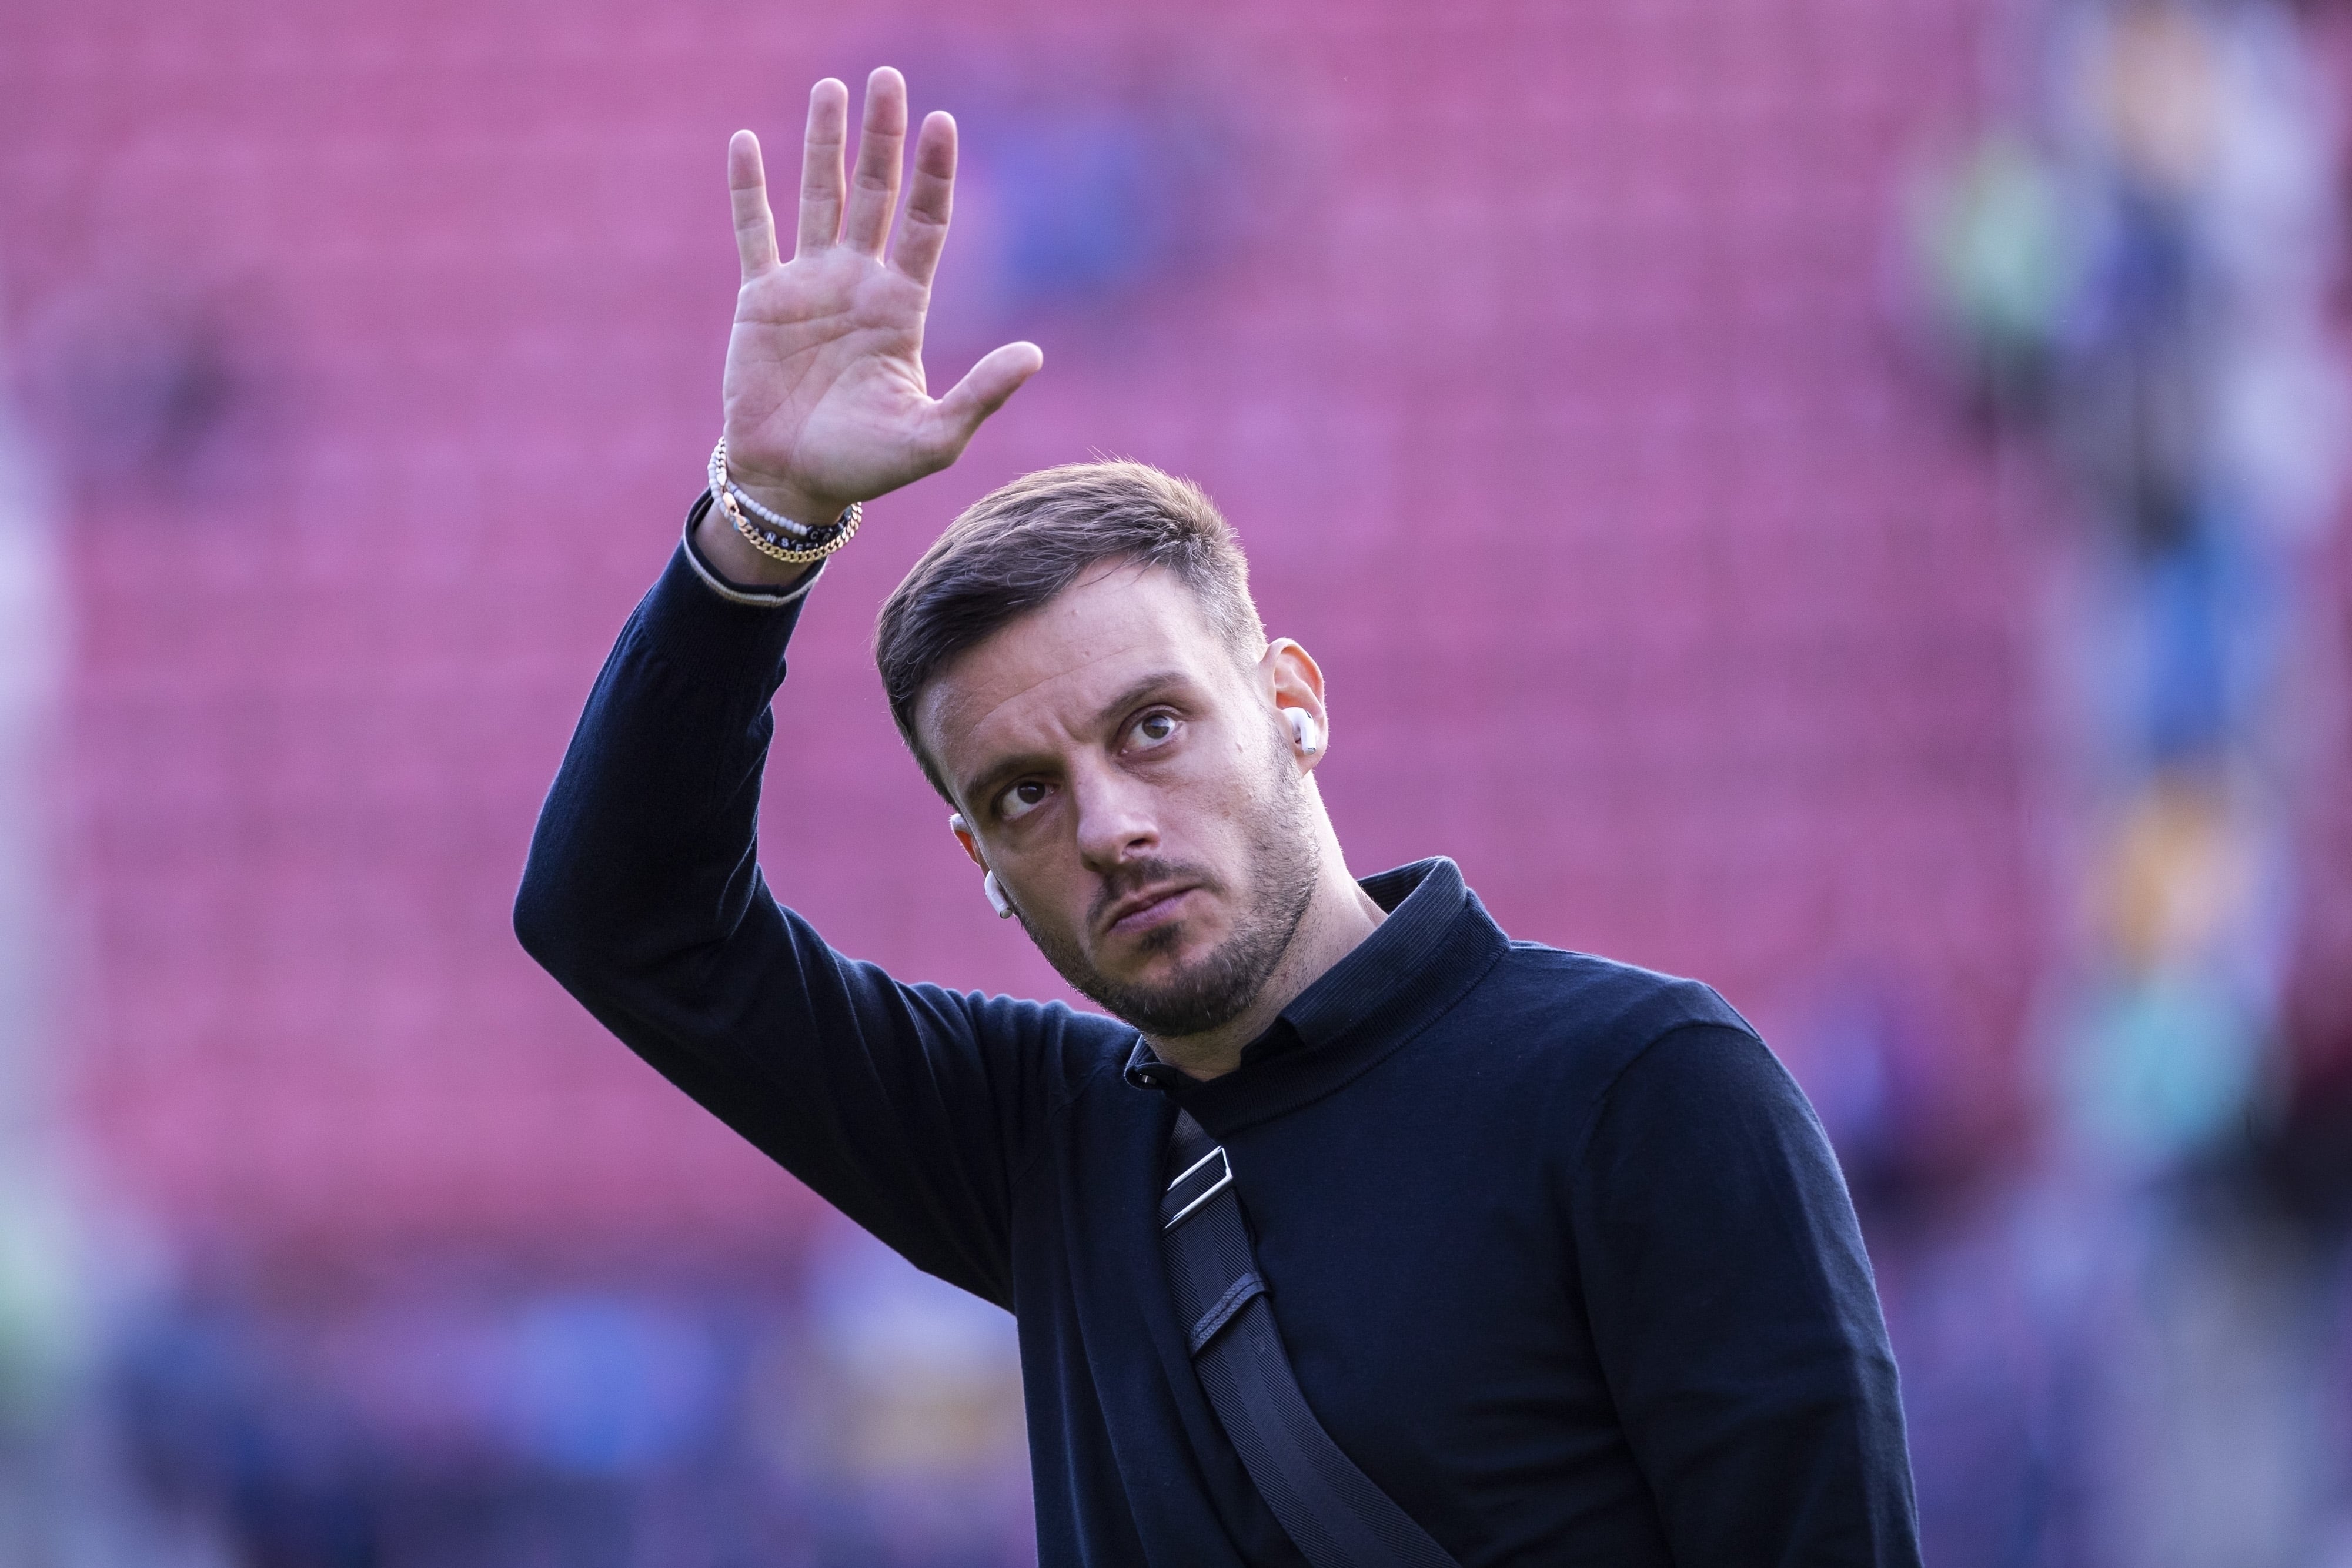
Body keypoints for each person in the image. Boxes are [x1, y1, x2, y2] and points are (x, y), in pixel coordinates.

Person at [515, 67, 1922, 1567]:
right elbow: (624, 916)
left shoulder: (1644, 1088)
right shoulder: (1044, 1146)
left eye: (1153, 727)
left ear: (1293, 700)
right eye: (1023, 794)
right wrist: (765, 519)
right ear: (978, 863)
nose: (1111, 823)